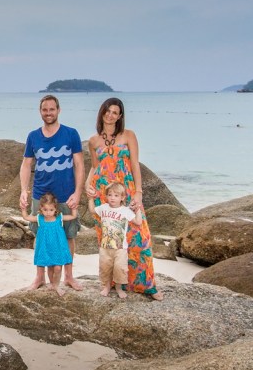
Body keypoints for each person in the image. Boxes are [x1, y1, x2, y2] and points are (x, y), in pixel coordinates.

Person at [84, 97, 163, 300]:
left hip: (126, 191)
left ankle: (147, 285)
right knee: (109, 239)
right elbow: (95, 166)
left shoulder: (128, 135)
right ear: (102, 112)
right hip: (104, 193)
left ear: (120, 116)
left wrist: (138, 192)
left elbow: (135, 164)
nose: (110, 115)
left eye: (115, 112)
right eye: (107, 111)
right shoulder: (93, 141)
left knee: (139, 236)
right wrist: (87, 185)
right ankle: (112, 282)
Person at [19, 95, 85, 291]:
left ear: (58, 110)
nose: (48, 113)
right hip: (40, 195)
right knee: (41, 236)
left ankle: (69, 276)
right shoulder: (33, 136)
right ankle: (39, 277)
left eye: (52, 109)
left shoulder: (71, 134)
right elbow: (26, 164)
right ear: (40, 112)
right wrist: (24, 190)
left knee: (69, 235)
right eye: (45, 110)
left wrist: (78, 193)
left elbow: (79, 164)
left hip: (65, 194)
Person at [94, 181, 143, 298]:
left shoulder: (125, 210)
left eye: (116, 196)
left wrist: (138, 210)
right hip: (105, 247)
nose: (112, 198)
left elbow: (138, 222)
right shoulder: (103, 208)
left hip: (120, 248)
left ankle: (118, 287)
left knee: (119, 268)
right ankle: (106, 286)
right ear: (106, 196)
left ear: (122, 197)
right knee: (105, 267)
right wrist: (90, 199)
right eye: (110, 195)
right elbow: (92, 210)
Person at [20, 192, 75, 296]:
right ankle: (52, 284)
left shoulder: (60, 218)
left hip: (58, 248)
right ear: (41, 208)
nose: (48, 212)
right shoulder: (40, 218)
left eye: (51, 210)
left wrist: (74, 207)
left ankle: (57, 285)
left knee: (58, 268)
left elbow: (73, 216)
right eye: (45, 210)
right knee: (50, 267)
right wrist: (23, 207)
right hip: (46, 248)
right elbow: (26, 217)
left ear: (55, 209)